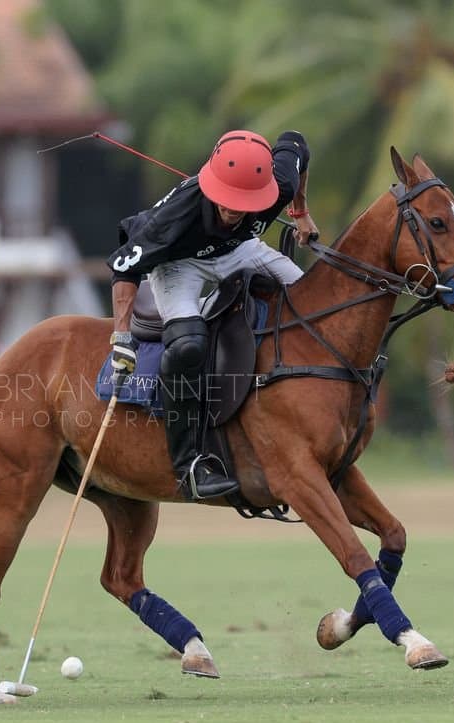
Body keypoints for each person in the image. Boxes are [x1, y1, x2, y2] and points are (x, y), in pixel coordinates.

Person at [107, 129, 319, 500]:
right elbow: (125, 267)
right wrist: (122, 339)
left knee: (315, 306)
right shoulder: (176, 217)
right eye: (225, 198)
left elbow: (296, 142)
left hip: (241, 250)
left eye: (242, 201)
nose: (232, 208)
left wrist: (300, 212)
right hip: (178, 265)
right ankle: (189, 464)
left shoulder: (280, 182)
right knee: (188, 345)